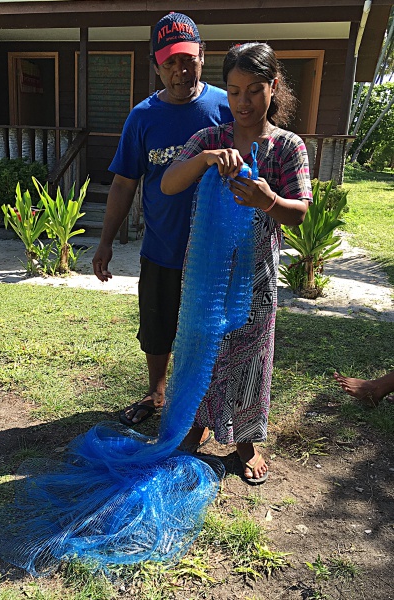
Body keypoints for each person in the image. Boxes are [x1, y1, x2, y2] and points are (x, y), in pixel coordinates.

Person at [161, 42, 312, 484]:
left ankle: (246, 441)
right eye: (233, 91)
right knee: (200, 343)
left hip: (256, 276)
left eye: (254, 91)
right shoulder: (211, 139)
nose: (243, 102)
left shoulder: (286, 148)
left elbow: (299, 212)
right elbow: (170, 183)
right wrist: (206, 160)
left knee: (249, 353)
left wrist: (270, 201)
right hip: (207, 276)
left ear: (273, 88)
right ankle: (195, 421)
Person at [92, 12, 232, 440]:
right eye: (170, 62)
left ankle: (198, 406)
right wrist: (105, 242)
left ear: (202, 57)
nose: (180, 70)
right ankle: (156, 394)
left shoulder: (227, 106)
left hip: (214, 253)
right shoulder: (142, 117)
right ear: (157, 65)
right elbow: (123, 184)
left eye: (188, 59)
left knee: (205, 329)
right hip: (161, 247)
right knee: (157, 326)